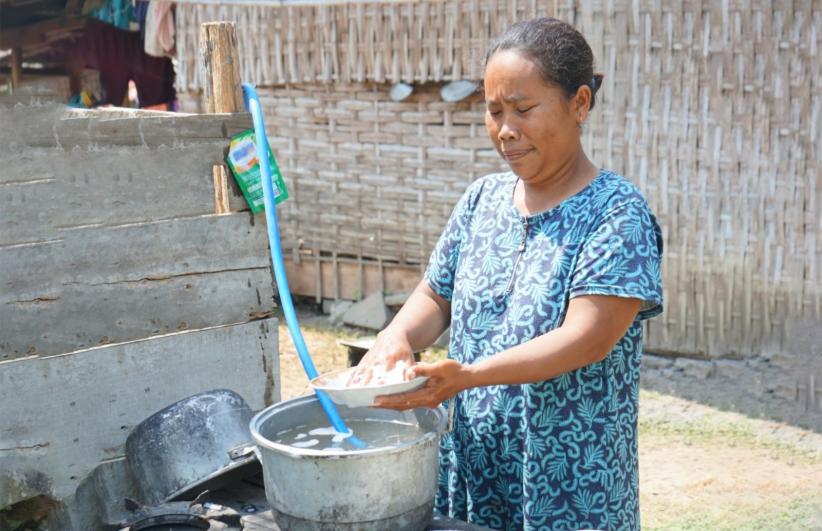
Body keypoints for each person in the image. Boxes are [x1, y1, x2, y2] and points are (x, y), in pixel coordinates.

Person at [350, 17, 663, 531]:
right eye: (494, 111)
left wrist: (468, 377)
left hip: (569, 486)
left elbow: (588, 339)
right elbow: (437, 294)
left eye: (523, 109)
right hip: (474, 469)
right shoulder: (482, 200)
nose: (505, 129)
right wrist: (396, 336)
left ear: (579, 103)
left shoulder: (617, 212)